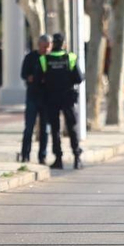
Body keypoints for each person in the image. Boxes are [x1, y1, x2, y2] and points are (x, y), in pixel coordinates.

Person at [40, 32, 84, 169]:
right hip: (68, 98)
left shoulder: (45, 59)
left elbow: (39, 79)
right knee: (71, 127)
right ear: (64, 44)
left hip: (52, 98)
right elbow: (79, 78)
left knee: (55, 129)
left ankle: (58, 158)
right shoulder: (70, 57)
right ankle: (76, 157)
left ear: (53, 44)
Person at [19, 35, 51, 163]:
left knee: (45, 129)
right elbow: (23, 74)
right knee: (29, 128)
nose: (47, 49)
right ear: (39, 45)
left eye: (49, 46)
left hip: (46, 97)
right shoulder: (30, 57)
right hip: (33, 96)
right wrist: (30, 78)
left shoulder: (51, 58)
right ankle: (25, 155)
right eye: (44, 46)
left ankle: (42, 156)